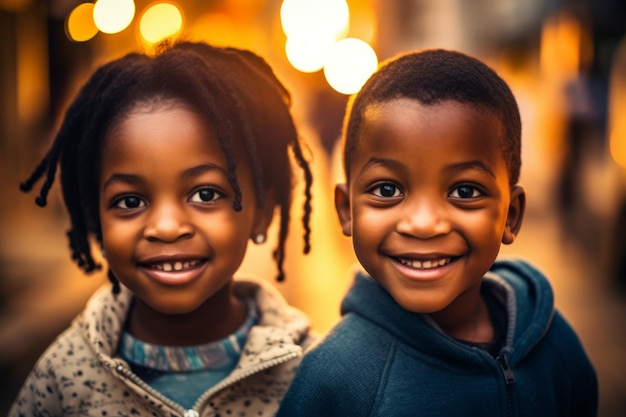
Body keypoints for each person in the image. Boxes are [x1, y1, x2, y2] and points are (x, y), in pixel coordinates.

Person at [277, 49, 597, 416]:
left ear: (511, 214)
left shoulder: (555, 347)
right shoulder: (336, 380)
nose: (424, 223)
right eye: (387, 190)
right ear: (346, 210)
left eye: (464, 191)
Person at [10, 40, 315, 417]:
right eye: (130, 201)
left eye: (205, 193)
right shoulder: (63, 379)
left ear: (262, 212)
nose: (167, 227)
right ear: (96, 220)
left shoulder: (311, 374)